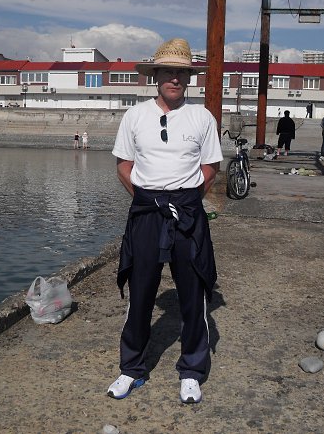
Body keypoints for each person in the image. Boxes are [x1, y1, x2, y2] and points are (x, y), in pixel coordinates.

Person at [108, 38, 223, 405]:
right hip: (147, 213)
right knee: (140, 293)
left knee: (193, 294)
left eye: (181, 73)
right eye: (168, 72)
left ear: (189, 78)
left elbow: (211, 167)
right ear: (155, 75)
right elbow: (124, 166)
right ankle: (132, 369)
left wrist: (185, 202)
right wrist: (149, 201)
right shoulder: (134, 116)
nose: (175, 78)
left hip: (187, 212)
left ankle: (191, 371)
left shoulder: (202, 117)